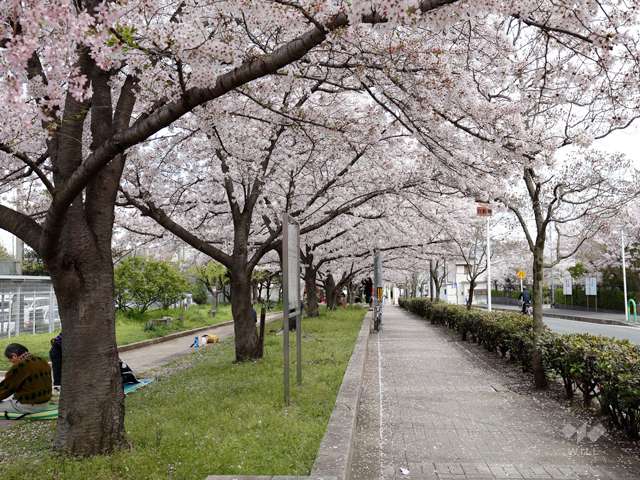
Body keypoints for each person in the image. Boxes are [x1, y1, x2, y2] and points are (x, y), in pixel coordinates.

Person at [0, 343, 52, 414]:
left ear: (14, 356)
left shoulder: (20, 366)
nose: (11, 362)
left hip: (30, 406)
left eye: (10, 359)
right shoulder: (42, 361)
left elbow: (6, 388)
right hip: (45, 403)